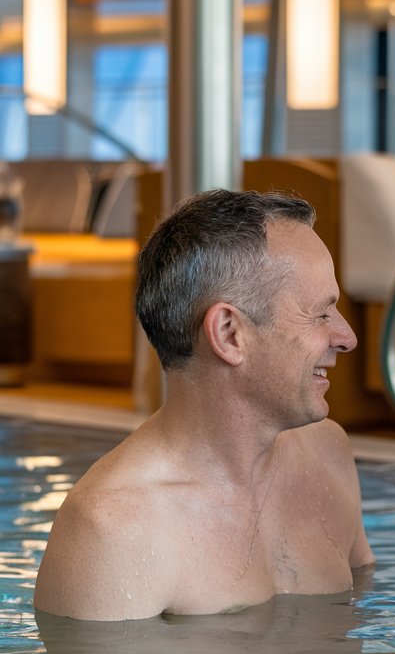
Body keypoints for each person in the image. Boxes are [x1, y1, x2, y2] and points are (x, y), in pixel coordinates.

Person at [35, 189, 373, 621]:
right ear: (230, 334)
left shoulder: (328, 453)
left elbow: (363, 616)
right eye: (321, 314)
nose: (347, 337)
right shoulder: (113, 531)